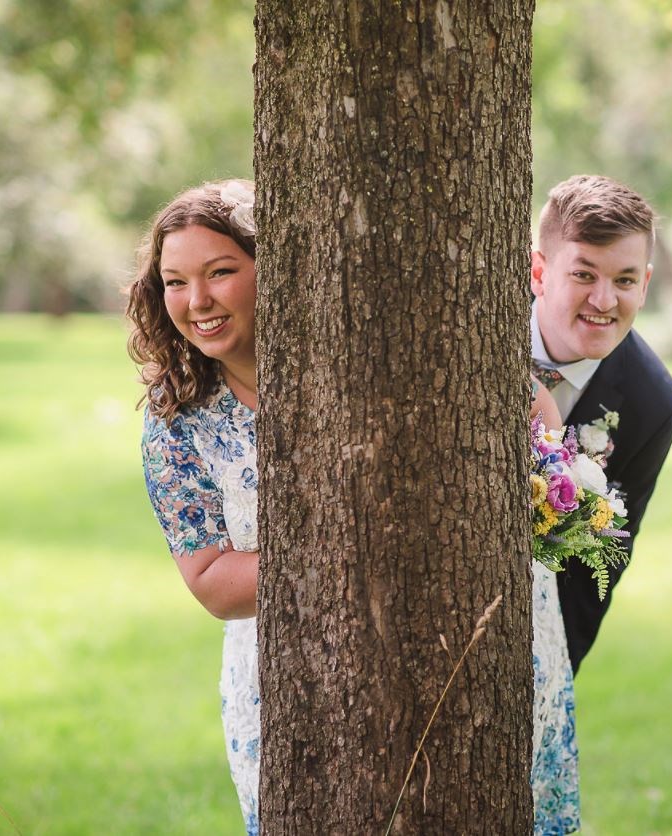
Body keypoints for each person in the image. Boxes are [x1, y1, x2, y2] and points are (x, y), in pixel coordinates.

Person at [129, 179, 581, 835]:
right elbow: (212, 583)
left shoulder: (373, 359)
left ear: (276, 268)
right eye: (174, 281)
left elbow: (535, 420)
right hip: (304, 676)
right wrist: (361, 553)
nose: (196, 301)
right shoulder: (179, 421)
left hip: (473, 649)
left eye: (220, 272)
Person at [530, 175, 672, 675]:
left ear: (644, 284)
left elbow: (600, 566)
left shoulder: (652, 401)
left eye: (623, 280)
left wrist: (549, 678)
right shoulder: (466, 323)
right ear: (539, 272)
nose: (604, 301)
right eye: (583, 275)